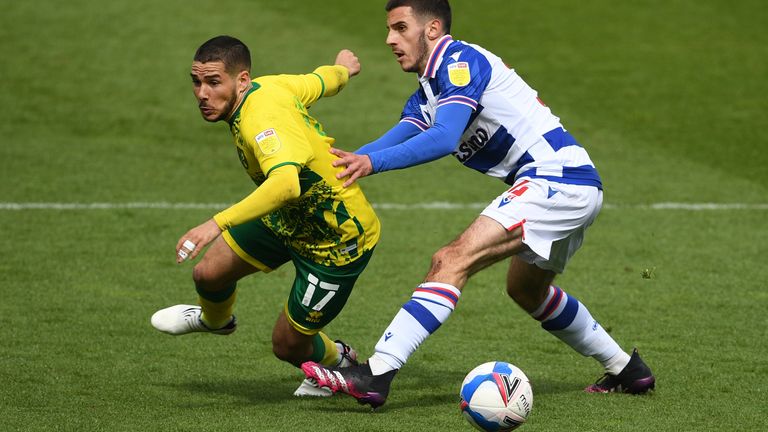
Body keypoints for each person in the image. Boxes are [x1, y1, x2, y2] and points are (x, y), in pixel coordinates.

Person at [301, 0, 655, 408]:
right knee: (526, 289)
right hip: (570, 184)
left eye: (400, 28)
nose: (389, 39)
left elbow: (443, 138)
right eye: (389, 30)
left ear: (432, 29)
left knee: (450, 260)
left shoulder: (459, 63)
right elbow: (402, 134)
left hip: (554, 180)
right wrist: (341, 167)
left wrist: (370, 163)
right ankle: (627, 369)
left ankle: (377, 372)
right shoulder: (430, 88)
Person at [150, 35, 381, 398]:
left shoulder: (262, 119)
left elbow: (286, 184)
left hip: (334, 240)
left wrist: (215, 223)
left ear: (242, 81)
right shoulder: (272, 85)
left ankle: (342, 361)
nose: (201, 94)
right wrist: (343, 68)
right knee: (208, 274)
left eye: (213, 82)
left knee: (287, 347)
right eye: (196, 82)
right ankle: (216, 321)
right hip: (287, 219)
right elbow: (319, 80)